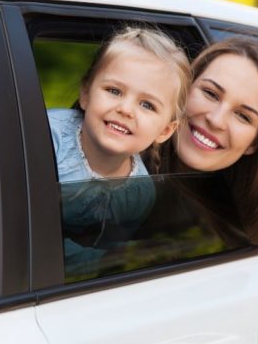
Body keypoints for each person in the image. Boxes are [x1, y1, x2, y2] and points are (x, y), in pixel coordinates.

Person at [47, 26, 191, 278]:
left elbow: (107, 255)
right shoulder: (47, 138)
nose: (126, 109)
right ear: (85, 94)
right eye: (114, 91)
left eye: (147, 105)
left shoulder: (139, 193)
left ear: (165, 131)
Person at [161, 36, 258, 245]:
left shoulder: (238, 236)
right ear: (184, 88)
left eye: (243, 116)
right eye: (210, 93)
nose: (216, 120)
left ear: (255, 143)